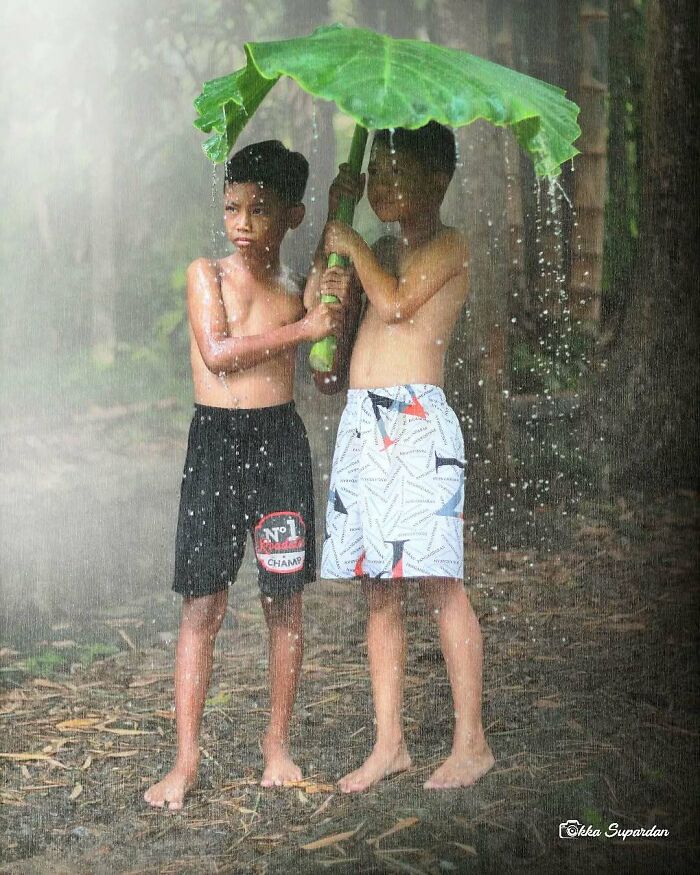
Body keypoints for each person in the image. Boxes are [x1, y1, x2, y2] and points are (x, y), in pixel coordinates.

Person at [145, 140, 341, 809]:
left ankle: (277, 747)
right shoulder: (209, 275)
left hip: (280, 444)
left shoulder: (295, 289)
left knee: (283, 602)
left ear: (291, 215)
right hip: (217, 445)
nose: (242, 220)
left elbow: (322, 359)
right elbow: (219, 351)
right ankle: (187, 759)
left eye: (260, 209)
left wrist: (324, 326)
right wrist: (305, 326)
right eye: (233, 206)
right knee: (203, 603)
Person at [305, 122, 494, 792]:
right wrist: (335, 216)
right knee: (377, 590)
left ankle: (471, 741)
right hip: (363, 423)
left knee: (440, 582)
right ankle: (391, 743)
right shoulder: (378, 246)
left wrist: (351, 241)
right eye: (375, 174)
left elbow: (393, 300)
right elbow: (319, 310)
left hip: (414, 425)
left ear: (438, 179)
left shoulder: (449, 245)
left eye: (396, 172)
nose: (382, 185)